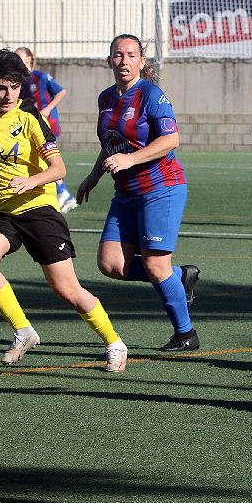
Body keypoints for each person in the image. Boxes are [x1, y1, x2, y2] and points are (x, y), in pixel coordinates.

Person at [0, 49, 127, 372]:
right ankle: (23, 331)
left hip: (38, 208)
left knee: (67, 290)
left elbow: (59, 168)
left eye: (15, 87)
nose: (9, 95)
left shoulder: (31, 118)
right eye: (1, 88)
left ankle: (114, 342)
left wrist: (30, 181)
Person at [76, 34, 201, 352]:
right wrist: (93, 176)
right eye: (118, 55)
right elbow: (112, 143)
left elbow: (170, 140)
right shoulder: (106, 98)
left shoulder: (151, 94)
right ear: (109, 61)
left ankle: (185, 334)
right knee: (111, 264)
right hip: (126, 193)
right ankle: (179, 276)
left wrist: (131, 159)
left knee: (154, 266)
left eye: (131, 55)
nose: (124, 61)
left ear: (142, 62)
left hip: (161, 189)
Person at [15, 47, 76, 213]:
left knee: (46, 162)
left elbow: (61, 91)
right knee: (39, 162)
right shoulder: (20, 82)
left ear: (29, 60)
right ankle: (65, 195)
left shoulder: (40, 77)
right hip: (32, 129)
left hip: (48, 126)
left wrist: (48, 109)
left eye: (21, 59)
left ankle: (64, 194)